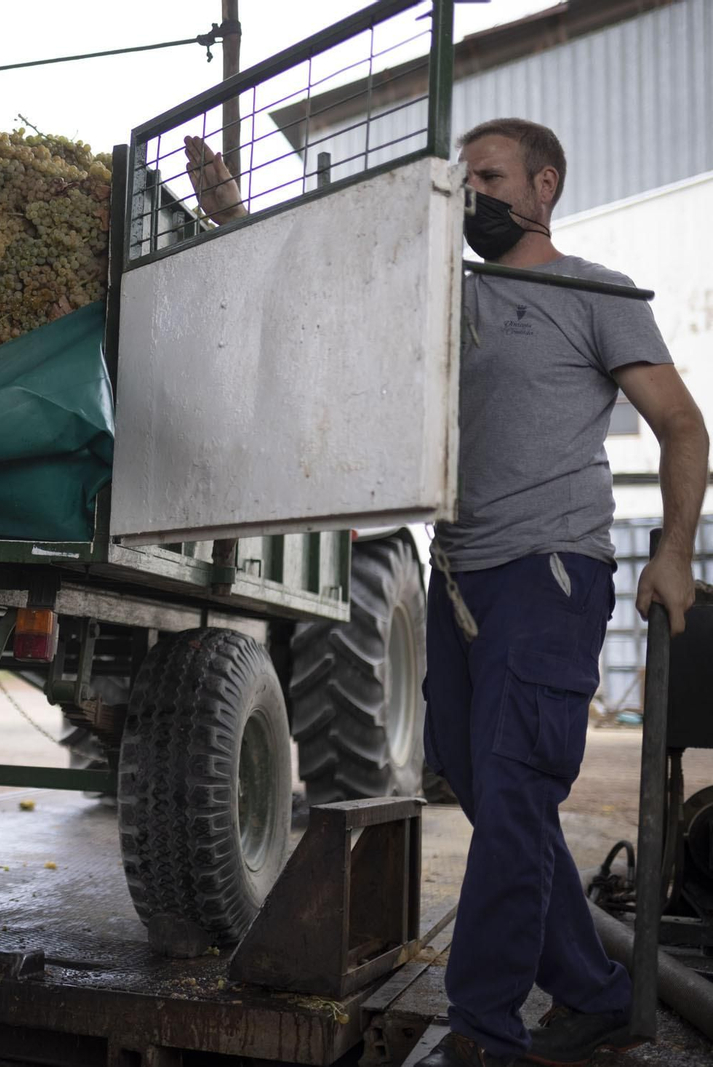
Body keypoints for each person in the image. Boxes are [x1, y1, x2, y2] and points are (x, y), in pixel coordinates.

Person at [186, 121, 708, 1067]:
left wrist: (673, 552)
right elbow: (328, 297)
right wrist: (237, 215)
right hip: (458, 575)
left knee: (513, 790)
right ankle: (597, 991)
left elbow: (681, 425)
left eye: (492, 177)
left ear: (546, 185)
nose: (474, 196)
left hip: (549, 572)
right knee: (484, 785)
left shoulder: (594, 292)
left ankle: (482, 1029)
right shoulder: (444, 298)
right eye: (463, 181)